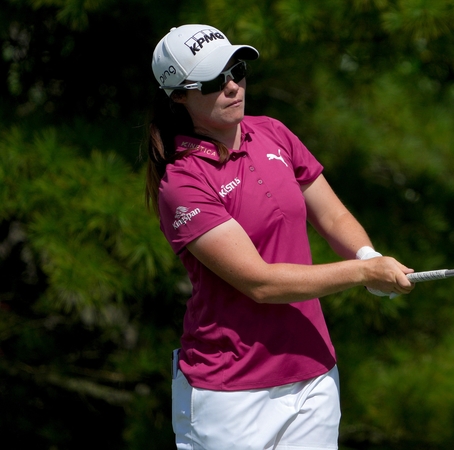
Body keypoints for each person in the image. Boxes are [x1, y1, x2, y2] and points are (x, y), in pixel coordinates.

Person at [145, 24, 414, 450]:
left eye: (238, 70)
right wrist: (363, 271)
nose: (233, 86)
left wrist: (369, 254)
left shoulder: (273, 132)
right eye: (215, 81)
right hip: (230, 392)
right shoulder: (182, 182)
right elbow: (260, 283)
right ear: (179, 95)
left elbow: (332, 215)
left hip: (313, 372)